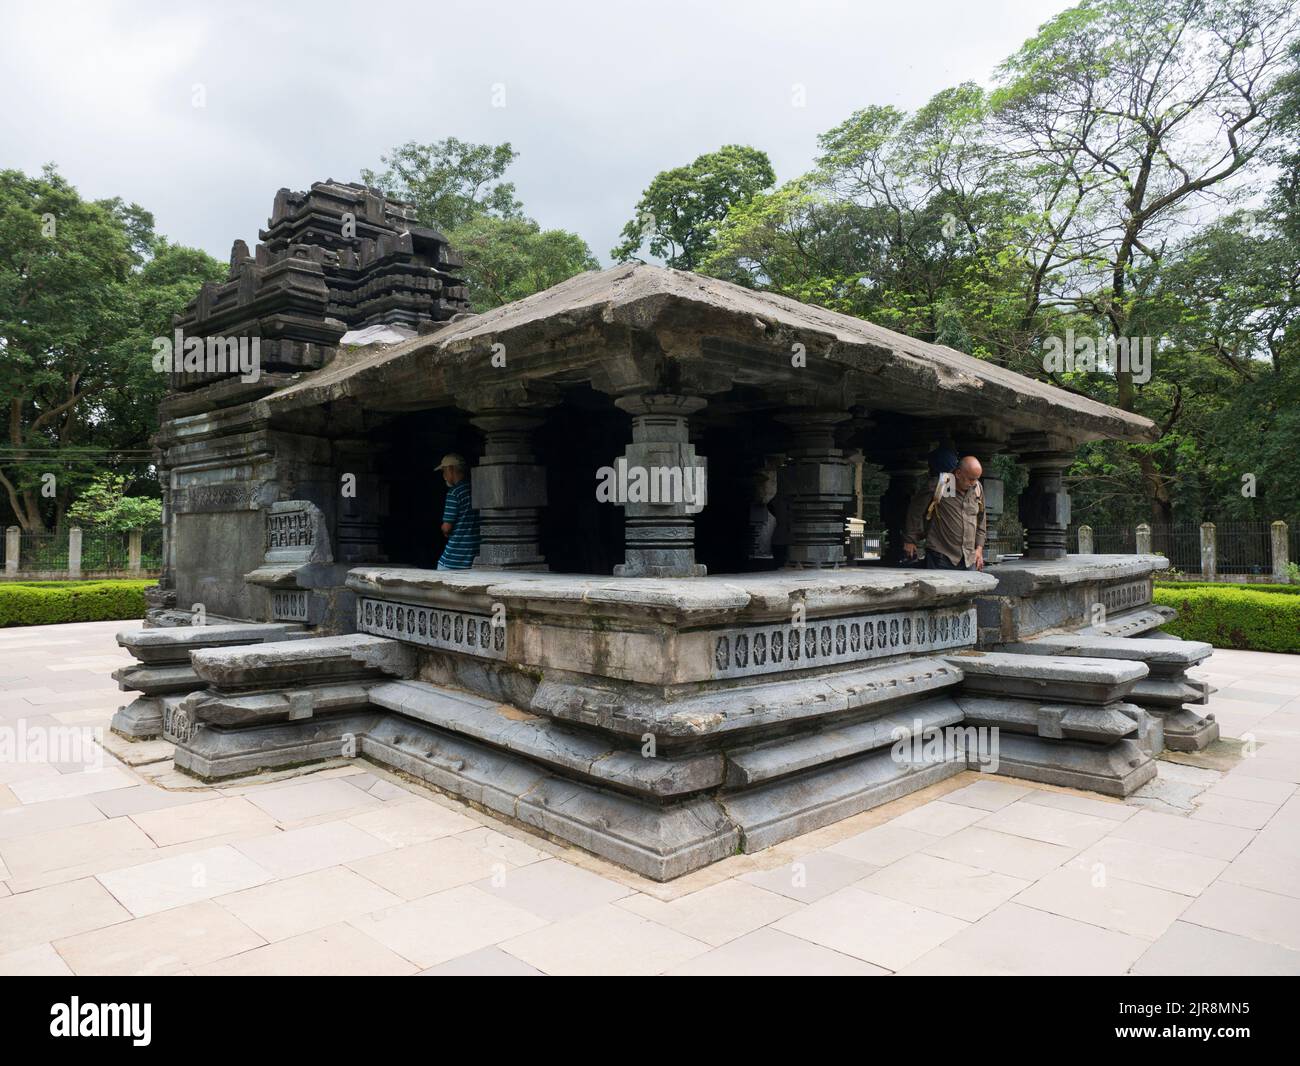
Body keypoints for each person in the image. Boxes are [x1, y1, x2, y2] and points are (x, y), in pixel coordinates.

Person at [902, 454, 986, 571]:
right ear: (958, 474)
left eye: (977, 478)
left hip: (968, 558)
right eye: (971, 479)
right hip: (941, 556)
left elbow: (981, 519)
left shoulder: (977, 489)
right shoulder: (939, 485)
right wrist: (910, 540)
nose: (974, 482)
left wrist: (979, 548)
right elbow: (915, 511)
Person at [435, 453, 480, 570]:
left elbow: (447, 527)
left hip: (453, 559)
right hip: (472, 557)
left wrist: (444, 530)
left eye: (444, 471)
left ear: (450, 469)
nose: (444, 475)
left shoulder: (454, 493)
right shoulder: (475, 488)